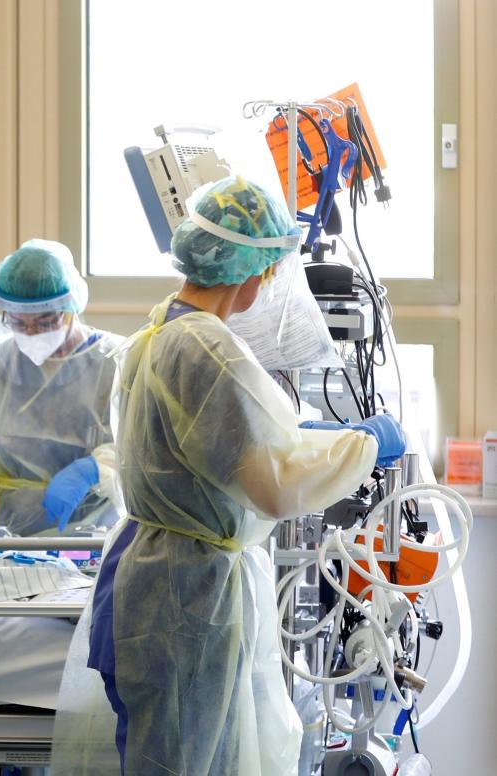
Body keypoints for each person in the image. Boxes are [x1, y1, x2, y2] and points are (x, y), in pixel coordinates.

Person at [66, 176, 405, 775]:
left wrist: (313, 440)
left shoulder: (159, 330)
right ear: (252, 269)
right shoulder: (208, 349)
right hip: (185, 594)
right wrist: (361, 447)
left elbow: (223, 446)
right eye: (272, 269)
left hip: (149, 574)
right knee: (187, 762)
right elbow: (274, 483)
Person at [0, 239, 125, 536]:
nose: (31, 333)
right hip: (3, 535)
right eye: (18, 322)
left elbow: (142, 444)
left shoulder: (114, 361)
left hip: (94, 533)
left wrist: (94, 470)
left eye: (45, 322)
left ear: (71, 306)